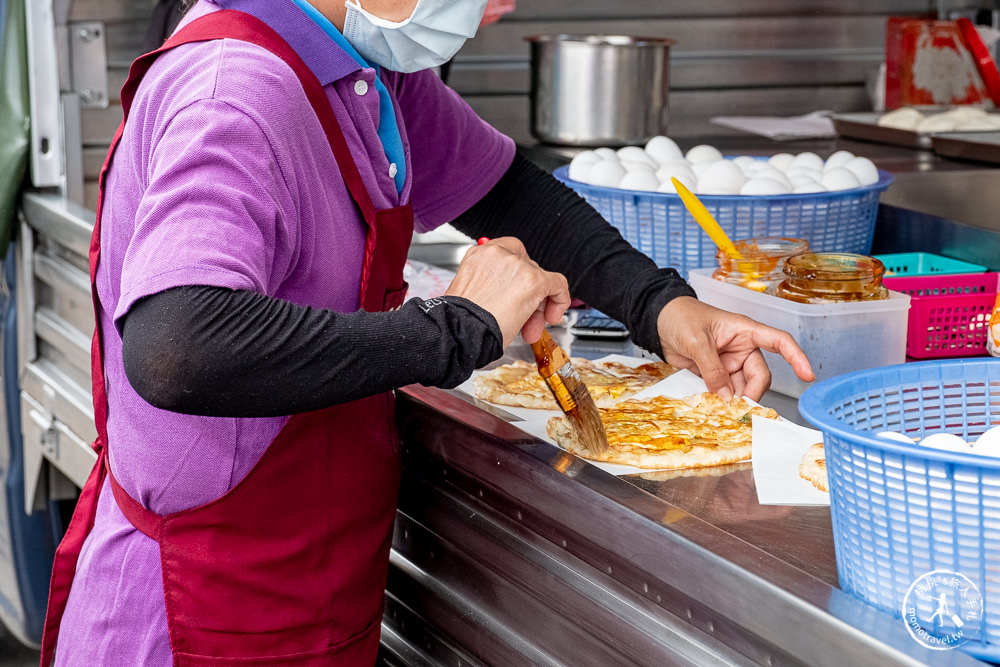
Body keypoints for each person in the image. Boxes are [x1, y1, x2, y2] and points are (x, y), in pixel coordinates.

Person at [40, 0, 815, 664]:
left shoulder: (355, 72)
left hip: (305, 581)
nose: (501, 4)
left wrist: (664, 309)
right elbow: (179, 344)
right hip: (198, 608)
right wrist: (457, 328)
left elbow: (509, 194)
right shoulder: (236, 92)